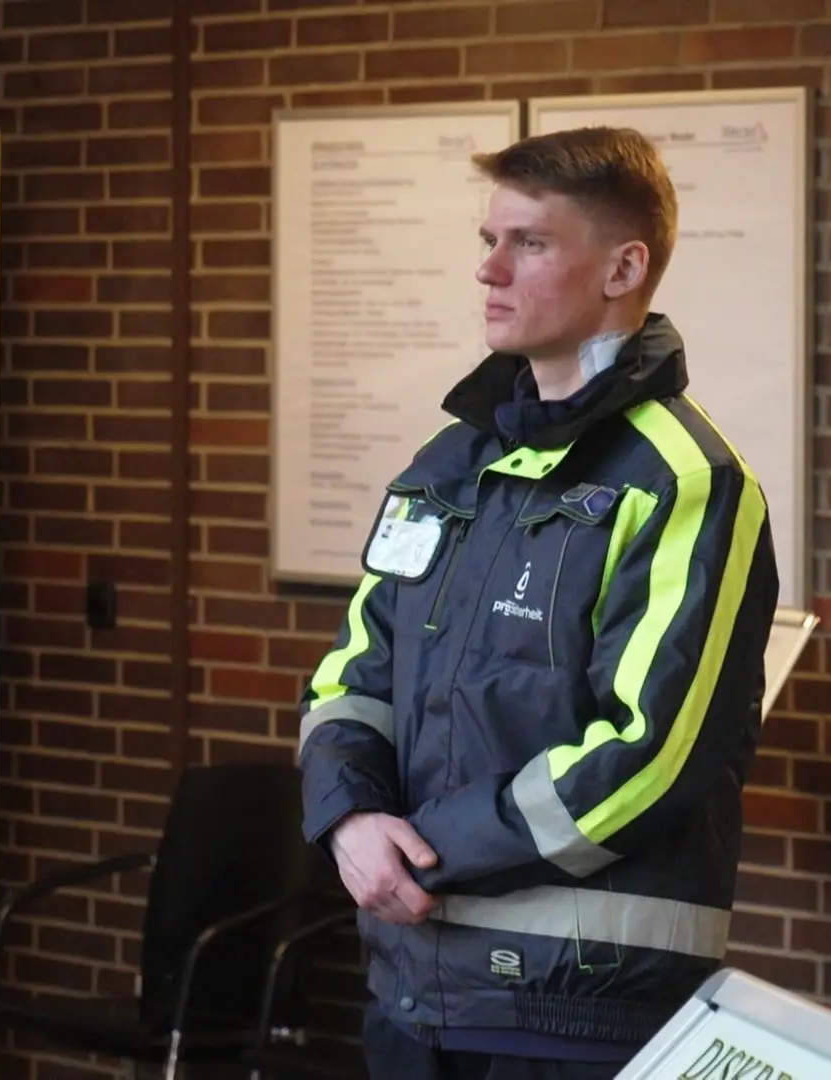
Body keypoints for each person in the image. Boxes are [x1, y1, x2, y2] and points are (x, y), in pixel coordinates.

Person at [296, 126, 781, 1080]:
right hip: (413, 993)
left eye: (529, 243)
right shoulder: (447, 466)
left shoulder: (687, 481)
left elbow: (652, 754)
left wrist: (418, 851)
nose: (489, 271)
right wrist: (349, 822)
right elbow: (352, 677)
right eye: (489, 240)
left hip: (574, 1014)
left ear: (622, 269)